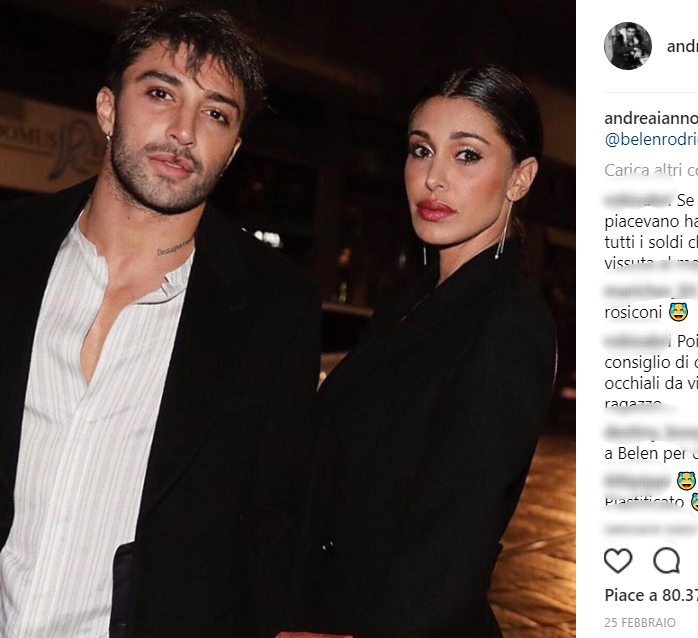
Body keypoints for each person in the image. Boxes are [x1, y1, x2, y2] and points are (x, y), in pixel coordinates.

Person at [0, 3, 321, 637]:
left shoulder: (274, 310)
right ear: (107, 108)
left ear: (233, 150)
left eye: (216, 113)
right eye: (160, 92)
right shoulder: (10, 248)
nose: (183, 130)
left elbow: (271, 532)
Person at [287, 65, 557, 638]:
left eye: (467, 155)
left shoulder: (508, 325)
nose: (434, 178)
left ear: (520, 178)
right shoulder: (412, 303)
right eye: (421, 150)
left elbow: (450, 550)